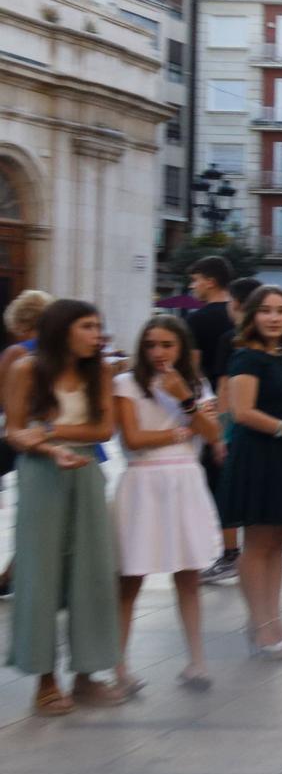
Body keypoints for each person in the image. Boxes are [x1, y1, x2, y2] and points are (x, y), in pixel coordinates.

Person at [5, 299, 125, 714]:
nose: (97, 336)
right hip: (41, 475)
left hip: (86, 469)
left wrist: (52, 431)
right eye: (88, 327)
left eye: (98, 327)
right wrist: (48, 449)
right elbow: (13, 430)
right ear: (63, 329)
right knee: (40, 574)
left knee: (91, 571)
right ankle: (45, 680)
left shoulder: (100, 370)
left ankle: (88, 675)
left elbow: (103, 428)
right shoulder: (27, 368)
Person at [111, 315, 224, 692]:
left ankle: (197, 661)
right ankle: (120, 667)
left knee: (189, 576)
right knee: (130, 577)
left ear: (182, 347)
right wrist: (180, 430)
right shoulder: (126, 382)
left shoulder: (196, 385)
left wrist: (186, 400)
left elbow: (212, 434)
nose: (158, 352)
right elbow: (133, 439)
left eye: (166, 345)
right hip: (143, 480)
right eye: (150, 345)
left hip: (185, 480)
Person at [218, 286, 282, 660]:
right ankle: (261, 628)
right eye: (266, 311)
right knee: (259, 543)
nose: (275, 318)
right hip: (260, 455)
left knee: (278, 542)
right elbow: (242, 412)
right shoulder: (247, 358)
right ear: (252, 317)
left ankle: (271, 621)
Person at [184, 256, 240, 587]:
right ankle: (229, 550)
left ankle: (228, 552)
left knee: (215, 481)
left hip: (212, 408)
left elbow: (191, 368)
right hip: (243, 406)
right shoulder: (241, 315)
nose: (192, 286)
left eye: (195, 280)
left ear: (209, 281)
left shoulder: (198, 319)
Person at [0, 288, 54, 600]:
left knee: (27, 505)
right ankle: (13, 572)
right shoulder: (54, 352)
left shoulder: (17, 353)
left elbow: (7, 400)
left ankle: (13, 573)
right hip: (49, 432)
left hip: (19, 433)